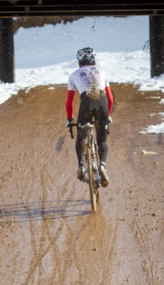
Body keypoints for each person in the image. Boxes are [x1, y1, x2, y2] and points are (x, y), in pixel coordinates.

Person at [65, 46, 114, 187]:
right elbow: (110, 98)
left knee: (81, 136)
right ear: (94, 59)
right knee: (102, 140)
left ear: (79, 61)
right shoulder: (101, 72)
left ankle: (81, 165)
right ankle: (103, 165)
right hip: (102, 100)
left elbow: (69, 102)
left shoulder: (74, 75)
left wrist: (70, 119)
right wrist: (107, 115)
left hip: (86, 101)